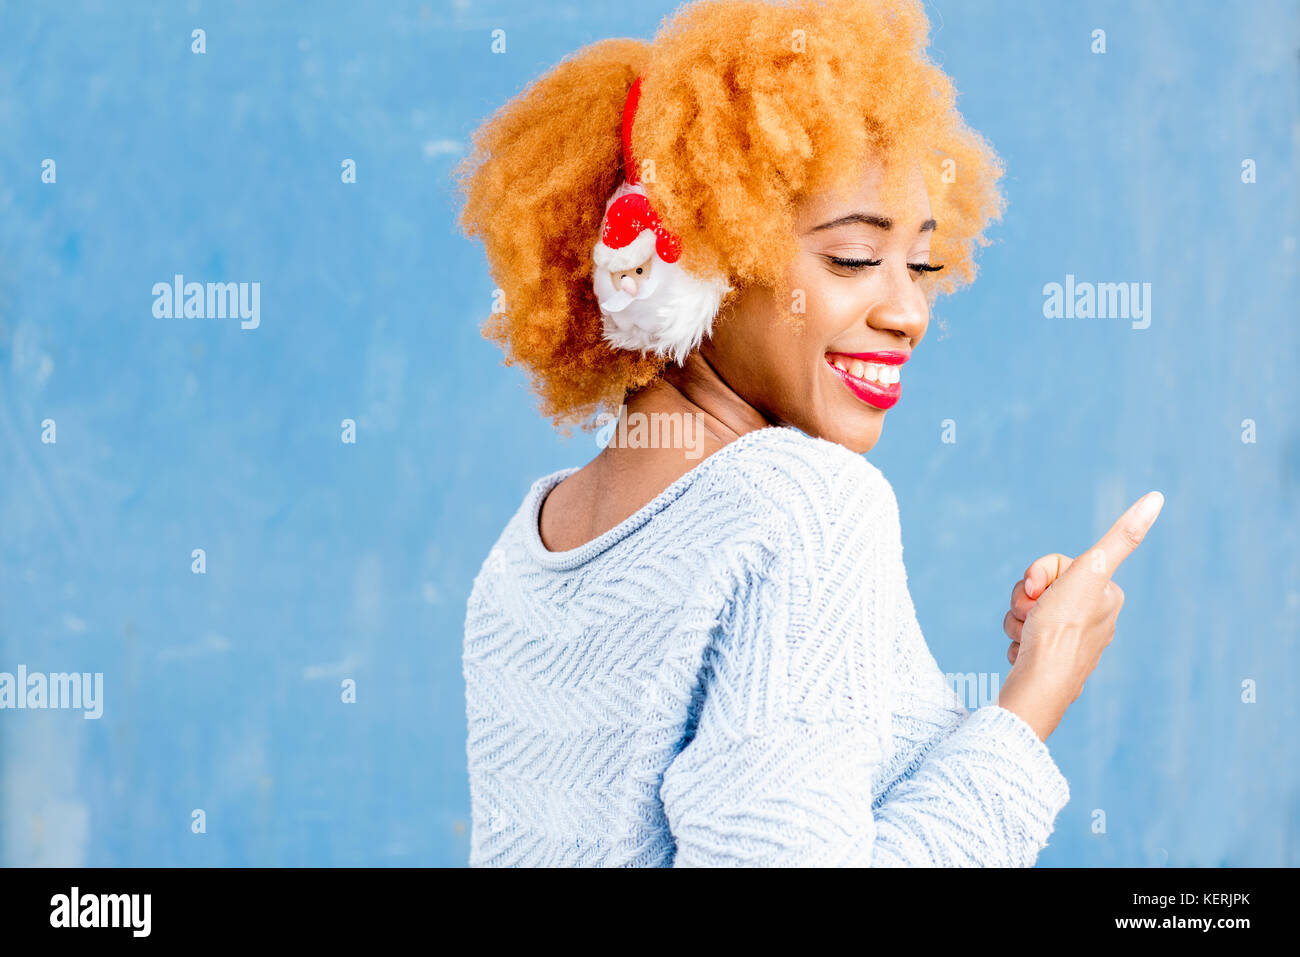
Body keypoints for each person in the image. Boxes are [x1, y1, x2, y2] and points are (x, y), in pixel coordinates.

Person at [454, 0, 1162, 866]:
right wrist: (1037, 694)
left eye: (922, 263)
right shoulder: (807, 508)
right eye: (854, 260)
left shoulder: (522, 558)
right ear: (704, 257)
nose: (908, 312)